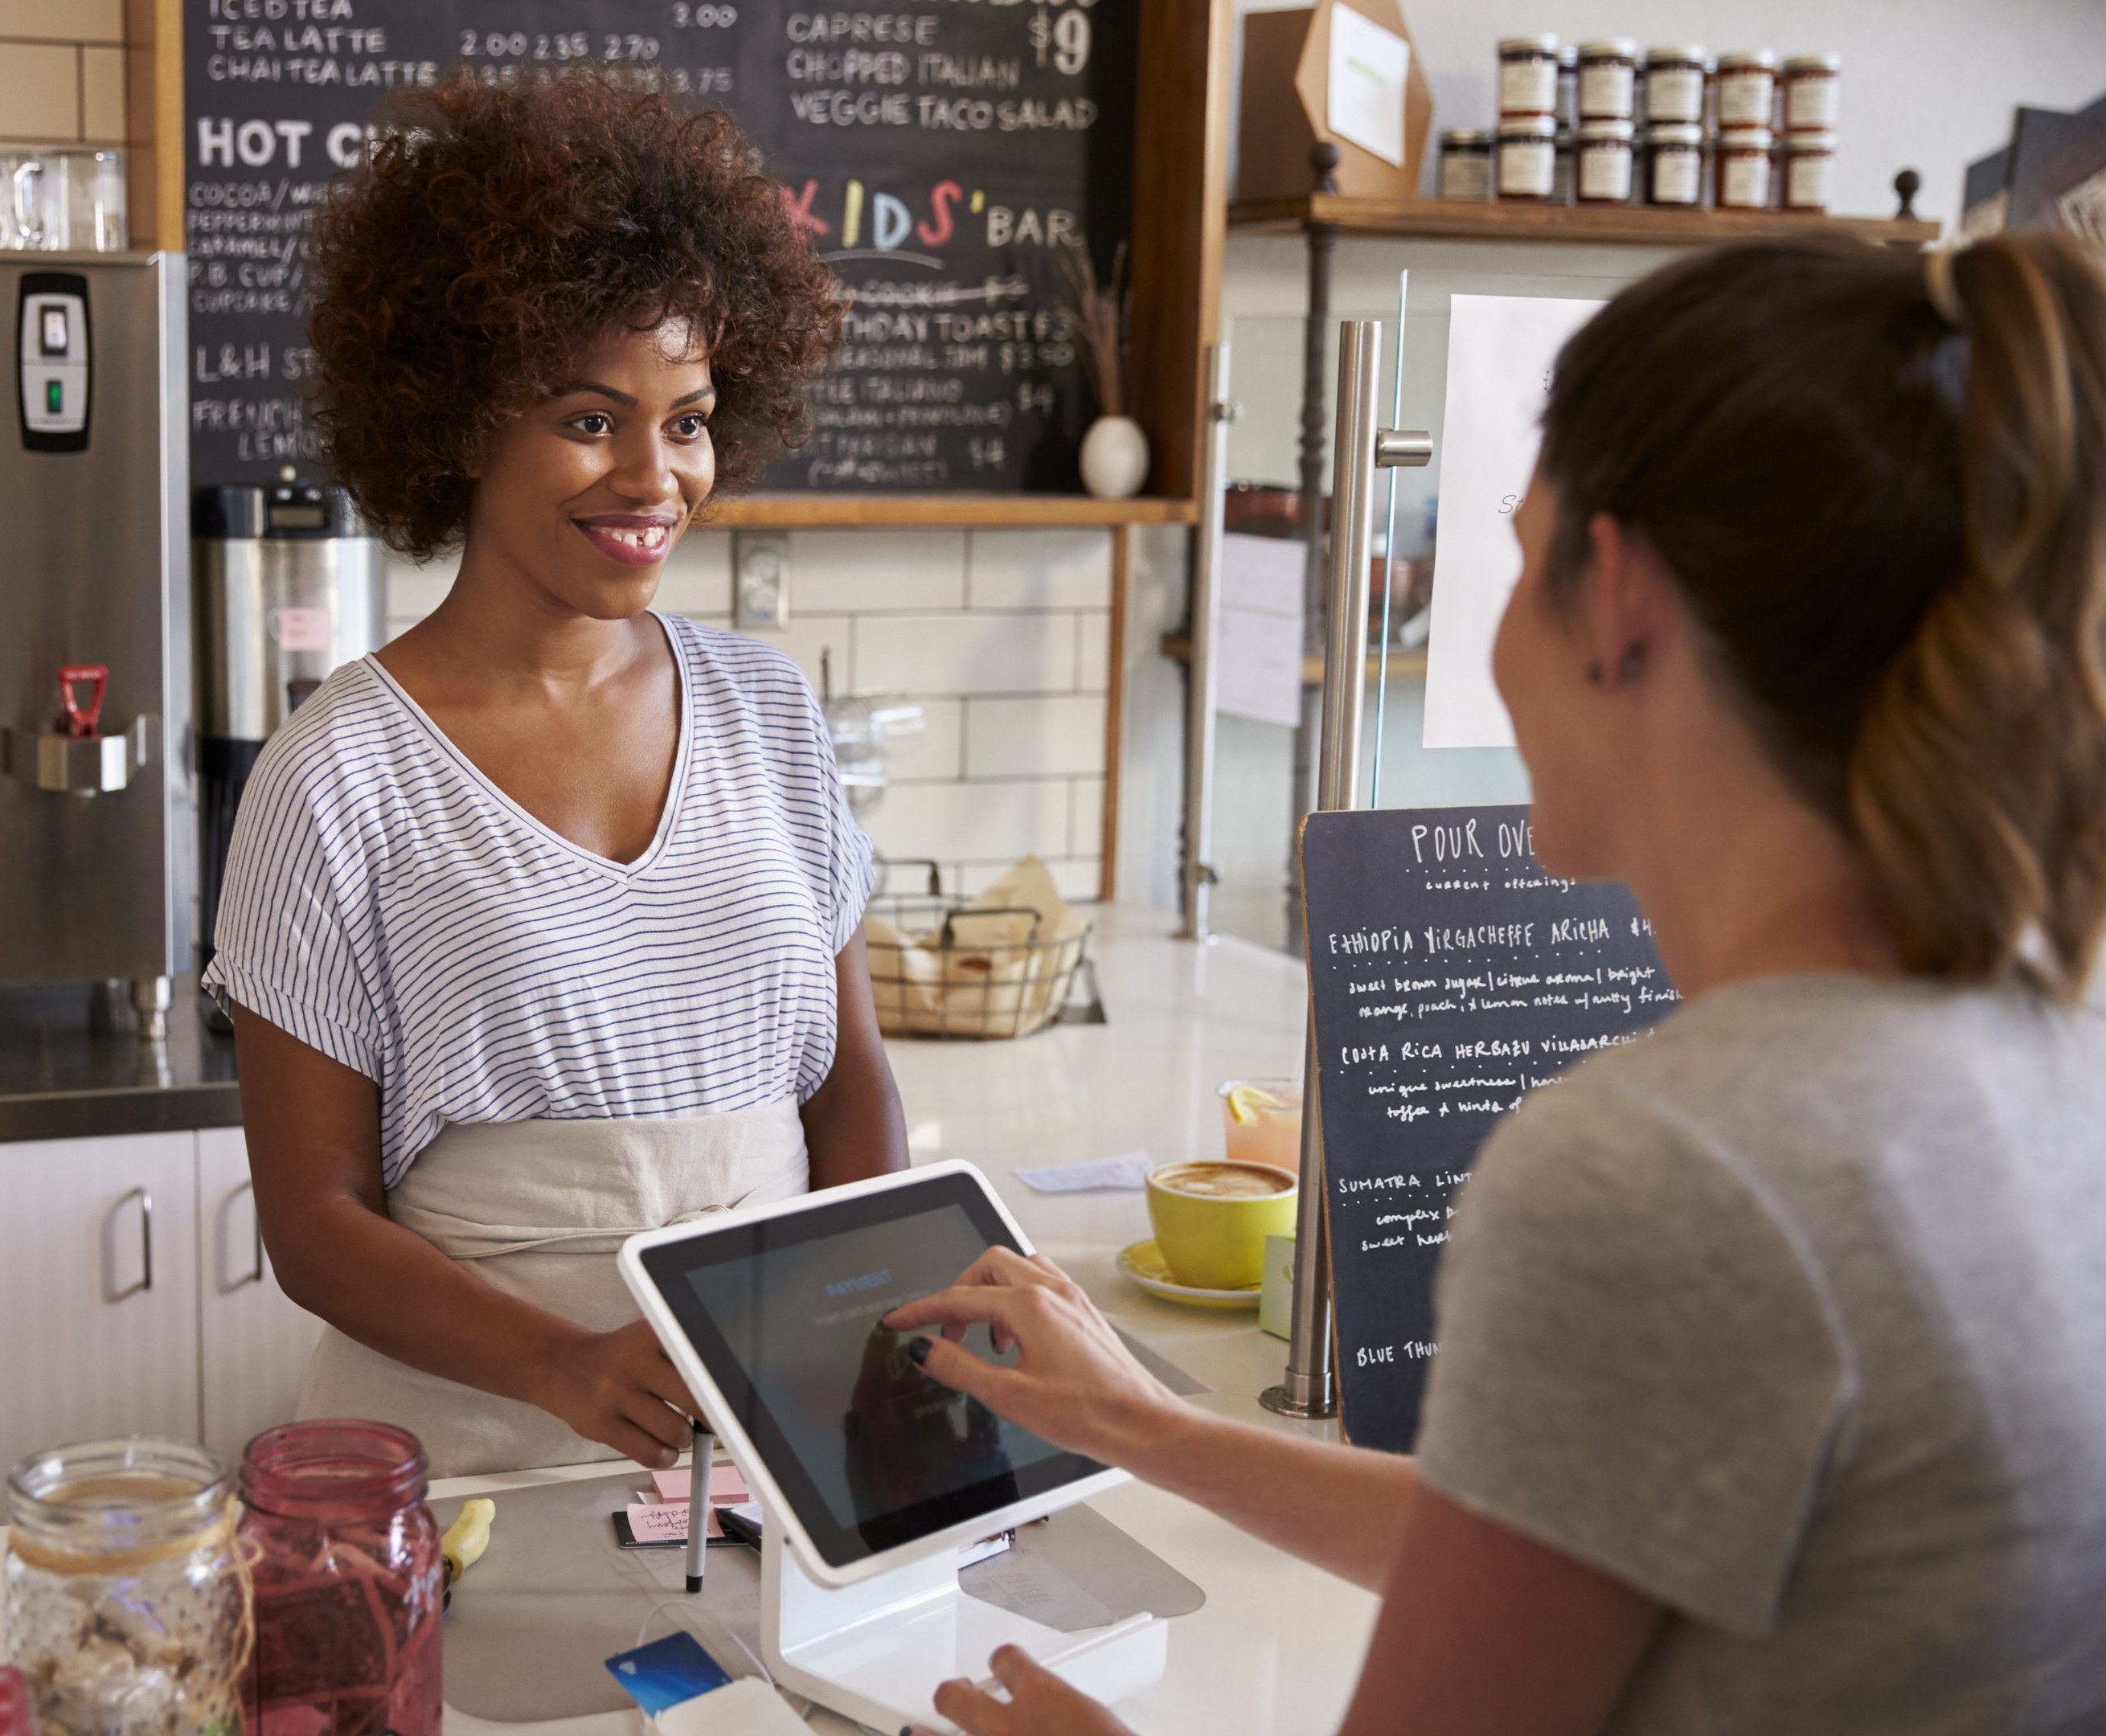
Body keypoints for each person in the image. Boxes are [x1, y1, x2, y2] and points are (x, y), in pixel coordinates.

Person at [887, 231, 2106, 1734]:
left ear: (1615, 596)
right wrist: (1139, 1427)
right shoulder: (2040, 1050)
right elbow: (1562, 1548)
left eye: (1518, 559)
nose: (1495, 633)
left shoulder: (1663, 1171)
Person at [207, 72, 906, 1479]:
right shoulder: (336, 770)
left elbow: (847, 1090)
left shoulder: (766, 710)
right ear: (462, 417)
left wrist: (864, 1321)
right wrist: (563, 1367)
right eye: (590, 418)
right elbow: (315, 1221)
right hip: (473, 1447)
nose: (654, 475)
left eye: (690, 418)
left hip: (770, 1433)